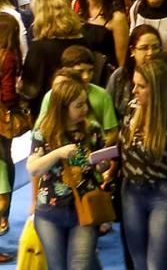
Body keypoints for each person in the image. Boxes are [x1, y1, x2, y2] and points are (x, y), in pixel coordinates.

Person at [117, 59, 167, 270]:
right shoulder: (131, 110)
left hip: (164, 195)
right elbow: (122, 149)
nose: (134, 90)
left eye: (141, 86)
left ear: (157, 88)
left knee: (157, 265)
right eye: (134, 84)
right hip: (131, 192)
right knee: (139, 263)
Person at [29, 77, 107, 270]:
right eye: (78, 105)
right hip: (49, 213)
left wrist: (103, 165)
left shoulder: (92, 130)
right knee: (58, 266)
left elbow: (95, 167)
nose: (85, 109)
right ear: (63, 108)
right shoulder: (43, 132)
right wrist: (57, 153)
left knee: (79, 265)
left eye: (85, 103)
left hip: (84, 210)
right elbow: (34, 168)